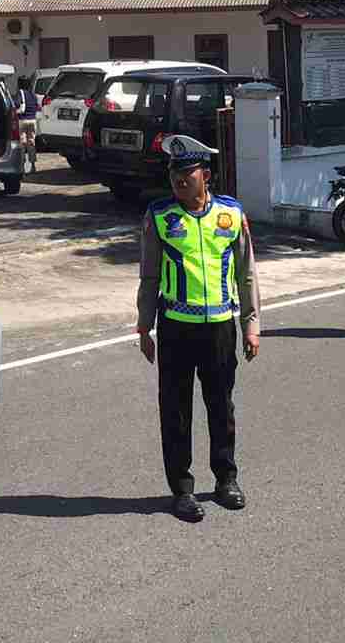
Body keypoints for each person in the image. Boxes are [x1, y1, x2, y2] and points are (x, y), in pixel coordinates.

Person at [136, 134, 261, 523]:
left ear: (205, 174)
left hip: (220, 328)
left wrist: (252, 325)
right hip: (175, 328)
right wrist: (144, 327)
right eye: (174, 174)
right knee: (175, 411)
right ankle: (182, 489)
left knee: (221, 406)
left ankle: (226, 480)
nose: (179, 180)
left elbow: (247, 274)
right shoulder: (160, 216)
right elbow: (149, 275)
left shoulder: (231, 214)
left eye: (187, 173)